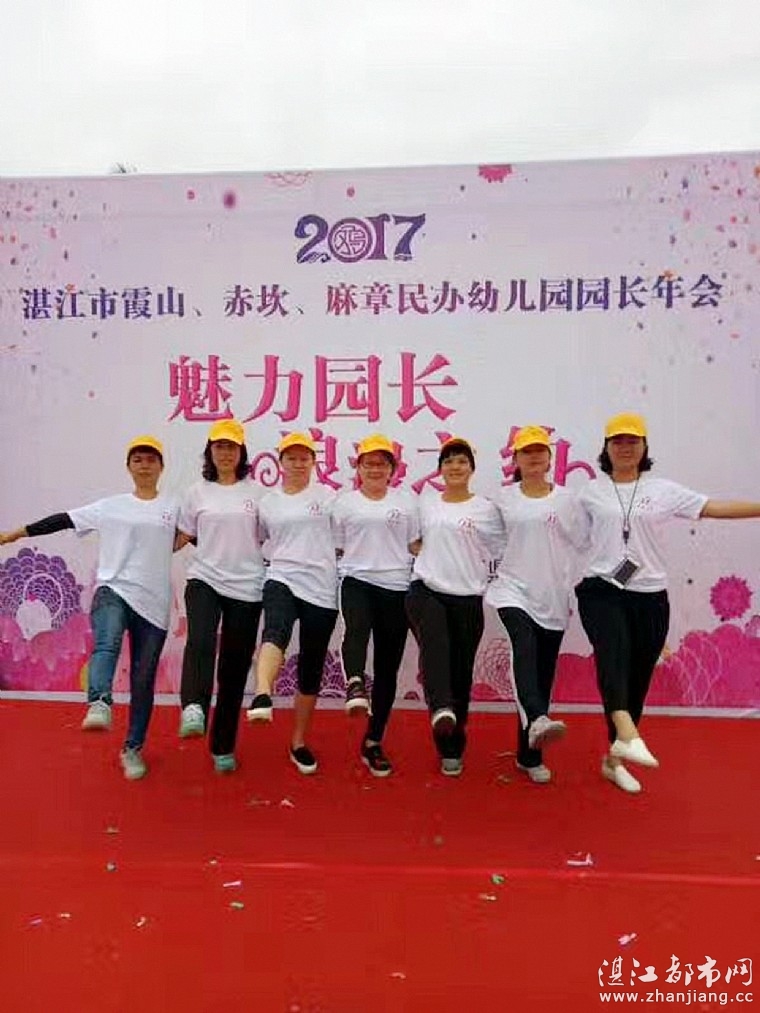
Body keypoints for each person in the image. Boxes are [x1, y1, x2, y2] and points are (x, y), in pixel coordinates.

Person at [576, 412, 760, 794]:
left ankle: (614, 760)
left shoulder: (662, 490)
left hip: (650, 598)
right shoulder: (589, 492)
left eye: (632, 441)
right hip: (602, 590)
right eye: (617, 441)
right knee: (612, 655)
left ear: (644, 446)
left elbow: (713, 508)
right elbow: (565, 534)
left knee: (637, 682)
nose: (625, 448)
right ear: (606, 448)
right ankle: (627, 731)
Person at [0, 436, 179, 780]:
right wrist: (17, 533)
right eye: (138, 459)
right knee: (107, 642)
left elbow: (202, 531)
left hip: (153, 604)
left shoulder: (174, 505)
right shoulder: (111, 506)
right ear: (128, 467)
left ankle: (132, 749)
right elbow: (63, 520)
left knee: (143, 681)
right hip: (113, 588)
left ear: (161, 467)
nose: (144, 465)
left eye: (150, 459)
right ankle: (99, 702)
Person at [486, 426, 587, 785]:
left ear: (549, 458)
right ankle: (538, 717)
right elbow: (483, 539)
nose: (533, 457)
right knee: (523, 647)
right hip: (511, 591)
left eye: (539, 451)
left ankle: (528, 756)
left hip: (553, 596)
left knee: (542, 674)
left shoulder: (567, 500)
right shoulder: (502, 499)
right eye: (526, 452)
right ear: (515, 459)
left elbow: (585, 542)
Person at [405, 437, 504, 776]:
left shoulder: (485, 509)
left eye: (461, 461)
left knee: (460, 673)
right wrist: (420, 548)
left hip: (467, 597)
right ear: (440, 470)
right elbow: (410, 537)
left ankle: (452, 744)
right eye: (448, 461)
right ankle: (440, 707)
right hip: (426, 589)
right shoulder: (426, 503)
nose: (455, 467)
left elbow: (501, 547)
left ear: (472, 469)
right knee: (435, 646)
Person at [246, 433, 338, 775]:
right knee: (276, 629)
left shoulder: (329, 498)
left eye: (304, 458)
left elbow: (349, 535)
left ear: (313, 462)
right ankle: (262, 694)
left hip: (321, 588)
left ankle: (298, 741)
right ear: (280, 462)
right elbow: (254, 539)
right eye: (291, 458)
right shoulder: (267, 503)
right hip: (281, 576)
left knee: (311, 666)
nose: (298, 464)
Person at [176, 419, 265, 774]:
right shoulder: (196, 493)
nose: (225, 453)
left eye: (232, 447)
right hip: (205, 579)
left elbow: (278, 535)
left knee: (234, 666)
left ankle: (223, 745)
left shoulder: (258, 494)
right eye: (219, 447)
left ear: (241, 453)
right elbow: (182, 536)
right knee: (200, 640)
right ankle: (194, 708)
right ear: (210, 452)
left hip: (248, 586)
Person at [332, 434, 419, 777]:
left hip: (396, 586)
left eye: (382, 463)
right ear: (358, 468)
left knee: (387, 667)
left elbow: (415, 545)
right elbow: (337, 546)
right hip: (357, 580)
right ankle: (354, 683)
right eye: (369, 463)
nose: (375, 469)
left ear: (392, 469)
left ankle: (373, 740)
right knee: (356, 629)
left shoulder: (407, 502)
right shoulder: (344, 504)